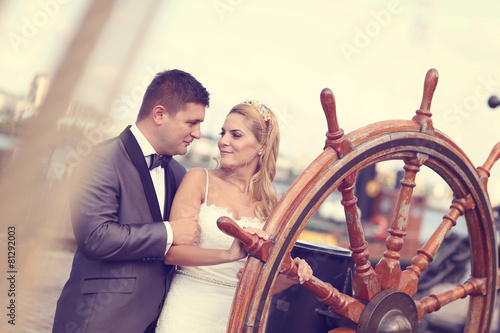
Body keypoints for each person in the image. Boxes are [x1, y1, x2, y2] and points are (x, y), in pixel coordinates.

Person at [52, 69, 210, 333]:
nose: (198, 134)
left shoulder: (179, 173)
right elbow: (96, 237)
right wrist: (170, 232)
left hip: (157, 321)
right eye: (191, 122)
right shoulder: (100, 159)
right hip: (98, 319)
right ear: (159, 114)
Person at [155, 100, 313, 332]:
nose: (223, 141)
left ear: (262, 145)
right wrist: (227, 254)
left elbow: (266, 283)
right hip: (188, 309)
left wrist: (292, 276)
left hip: (240, 318)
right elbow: (172, 254)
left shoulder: (276, 206)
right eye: (223, 132)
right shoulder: (199, 180)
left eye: (235, 135)